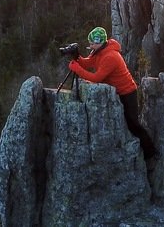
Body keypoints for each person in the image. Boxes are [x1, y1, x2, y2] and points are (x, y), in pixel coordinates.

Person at [68, 26, 158, 163]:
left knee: (133, 124)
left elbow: (96, 77)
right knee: (126, 123)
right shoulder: (99, 51)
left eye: (92, 43)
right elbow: (89, 62)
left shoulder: (110, 56)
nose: (90, 46)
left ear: (100, 42)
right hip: (119, 92)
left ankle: (150, 153)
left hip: (128, 93)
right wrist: (77, 57)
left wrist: (77, 69)